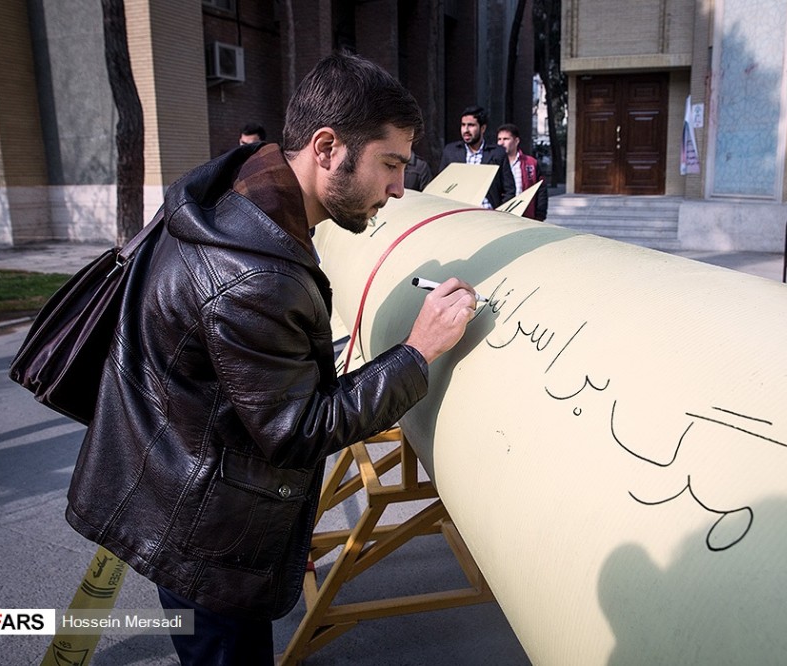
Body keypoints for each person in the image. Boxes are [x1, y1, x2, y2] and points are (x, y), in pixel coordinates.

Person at [64, 53, 478, 665]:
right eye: (389, 164)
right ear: (327, 146)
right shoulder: (255, 273)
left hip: (182, 491)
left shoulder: (229, 196)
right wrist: (418, 352)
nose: (397, 189)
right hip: (203, 534)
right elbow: (297, 429)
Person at [438, 105, 515, 208]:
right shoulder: (451, 152)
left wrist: (500, 213)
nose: (466, 130)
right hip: (459, 214)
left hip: (488, 214)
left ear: (482, 128)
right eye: (463, 125)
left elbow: (509, 190)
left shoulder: (497, 153)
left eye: (471, 125)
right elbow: (440, 186)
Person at [496, 123, 548, 221]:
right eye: (499, 139)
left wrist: (540, 214)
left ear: (516, 141)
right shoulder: (493, 163)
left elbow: (541, 190)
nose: (501, 143)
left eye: (506, 139)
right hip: (501, 216)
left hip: (526, 215)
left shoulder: (531, 163)